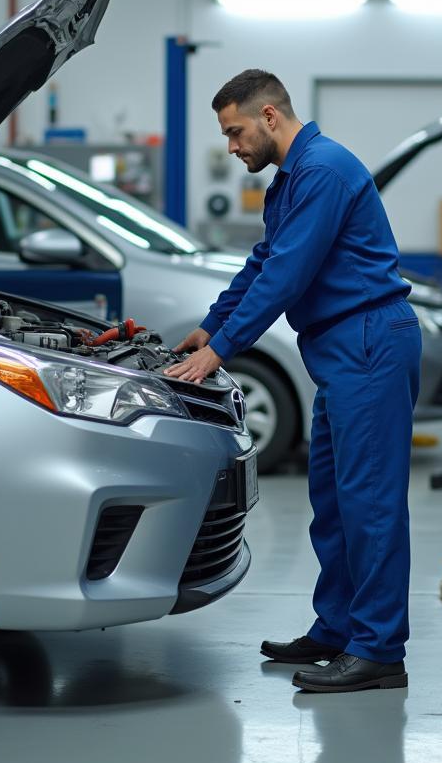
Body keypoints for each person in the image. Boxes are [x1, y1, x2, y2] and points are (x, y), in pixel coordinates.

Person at [165, 69, 421, 694]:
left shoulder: (324, 171)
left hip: (368, 342)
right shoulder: (292, 180)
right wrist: (211, 325)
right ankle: (337, 627)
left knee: (371, 503)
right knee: (333, 501)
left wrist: (221, 351)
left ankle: (379, 649)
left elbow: (288, 274)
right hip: (340, 350)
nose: (231, 147)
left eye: (235, 132)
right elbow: (262, 261)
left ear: (270, 116)